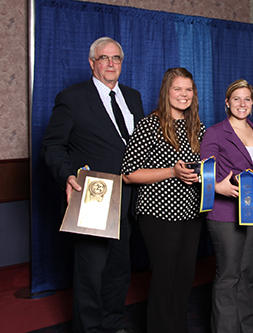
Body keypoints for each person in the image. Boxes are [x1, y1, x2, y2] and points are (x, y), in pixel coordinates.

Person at [41, 37, 145, 333]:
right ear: (92, 63)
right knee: (90, 273)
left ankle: (112, 325)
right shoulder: (72, 97)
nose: (111, 64)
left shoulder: (133, 97)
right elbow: (52, 145)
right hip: (93, 198)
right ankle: (89, 329)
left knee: (118, 270)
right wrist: (67, 175)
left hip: (127, 198)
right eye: (104, 58)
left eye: (116, 58)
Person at [120, 68, 205, 333]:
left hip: (191, 214)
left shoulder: (198, 128)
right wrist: (172, 172)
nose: (183, 94)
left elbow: (206, 169)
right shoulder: (150, 124)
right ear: (166, 92)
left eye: (188, 89)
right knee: (164, 277)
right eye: (177, 89)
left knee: (184, 278)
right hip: (158, 214)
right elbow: (128, 173)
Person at [200, 79, 253, 333]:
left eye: (247, 99)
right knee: (229, 275)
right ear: (227, 103)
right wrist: (219, 186)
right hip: (224, 214)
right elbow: (205, 170)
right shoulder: (215, 132)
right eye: (237, 99)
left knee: (246, 275)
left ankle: (247, 328)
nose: (242, 104)